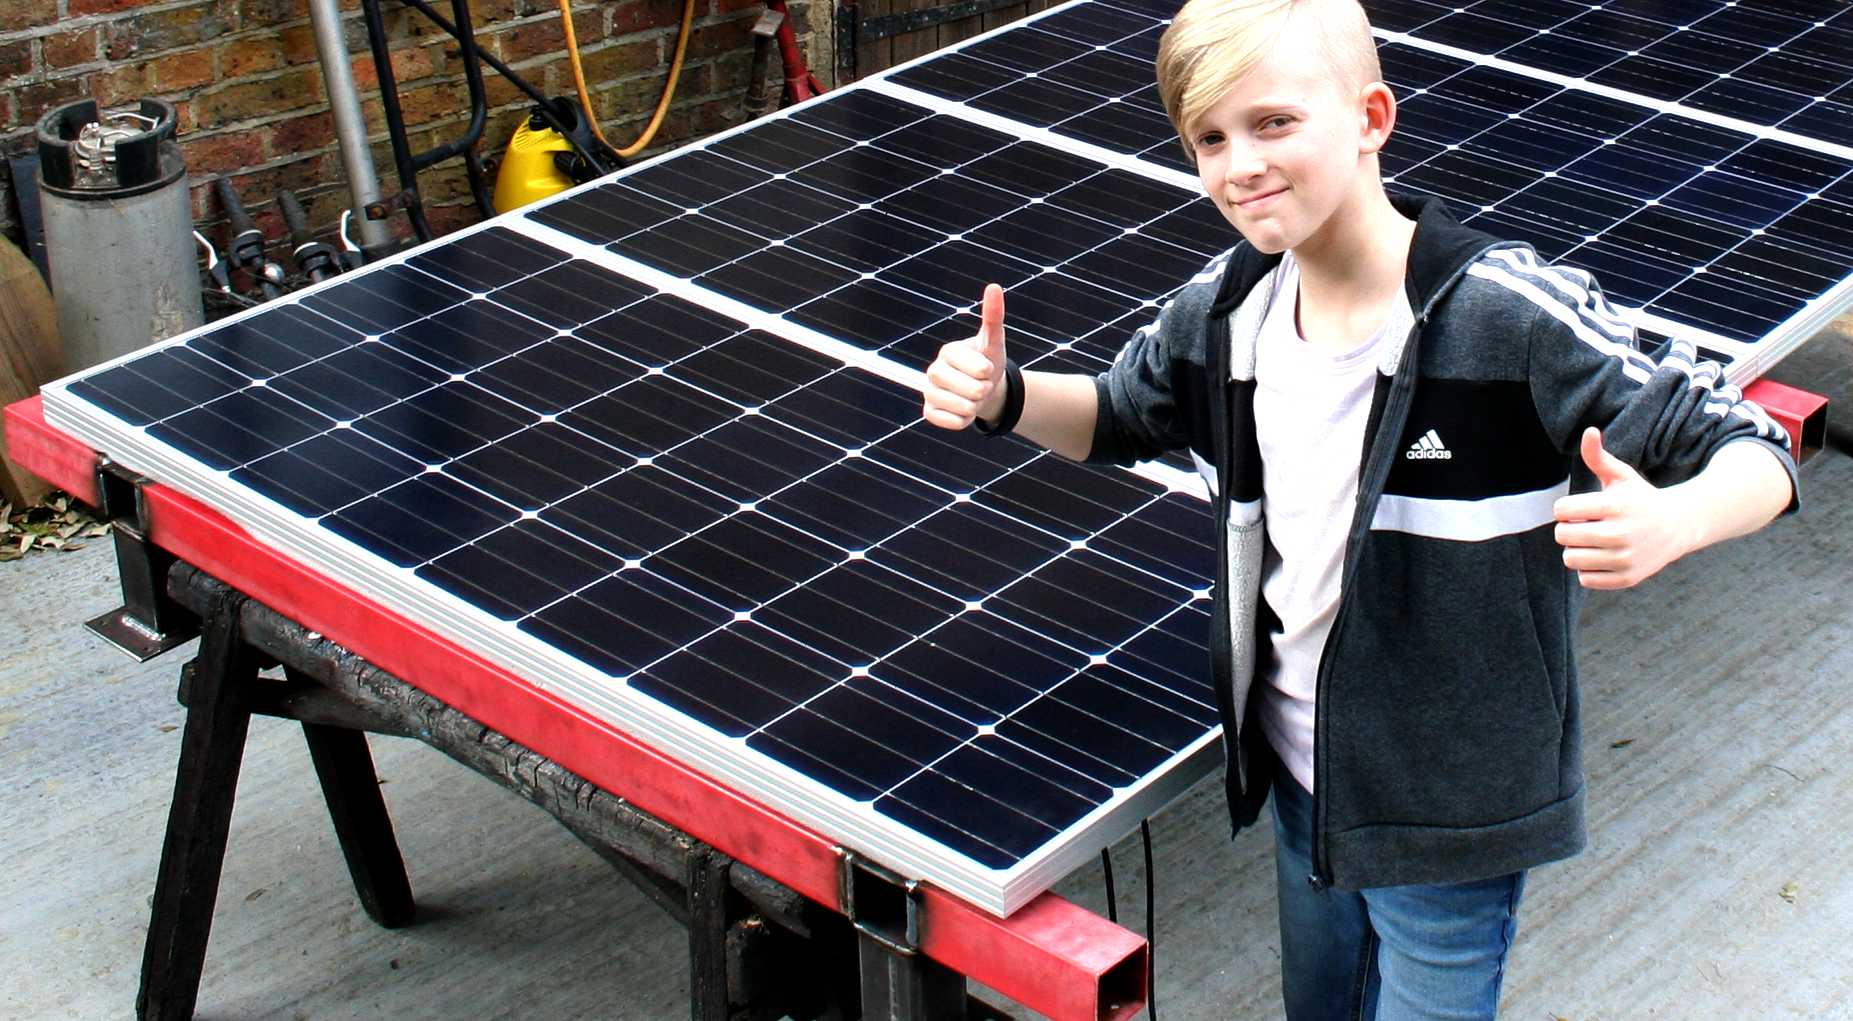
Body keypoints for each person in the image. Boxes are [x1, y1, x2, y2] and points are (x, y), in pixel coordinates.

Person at [920, 0, 1800, 1017]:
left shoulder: (1503, 317)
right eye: (1208, 137)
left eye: (1273, 123)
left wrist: (1677, 520)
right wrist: (1007, 397)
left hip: (1446, 813)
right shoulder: (1222, 312)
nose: (1238, 162)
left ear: (1371, 117)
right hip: (1304, 784)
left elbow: (1752, 445)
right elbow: (1120, 414)